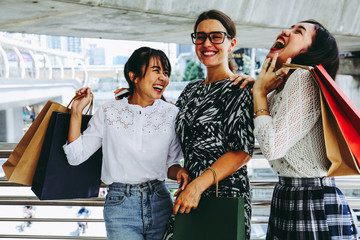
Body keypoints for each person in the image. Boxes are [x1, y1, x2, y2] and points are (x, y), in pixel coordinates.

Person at [63, 46, 190, 240]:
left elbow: (170, 164)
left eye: (166, 73)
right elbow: (75, 156)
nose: (163, 78)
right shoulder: (109, 112)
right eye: (156, 71)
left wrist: (179, 171)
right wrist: (76, 112)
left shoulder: (171, 113)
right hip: (120, 207)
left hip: (160, 201)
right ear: (134, 76)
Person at [251, 19, 358, 239]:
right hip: (291, 194)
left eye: (298, 32)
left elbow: (272, 147)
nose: (285, 31)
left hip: (311, 198)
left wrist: (259, 94)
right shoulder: (285, 87)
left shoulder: (304, 77)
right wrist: (258, 90)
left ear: (310, 52)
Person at [163, 9, 254, 240]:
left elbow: (241, 152)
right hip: (188, 196)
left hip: (224, 196)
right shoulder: (190, 90)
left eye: (216, 36)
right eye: (200, 37)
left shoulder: (238, 88)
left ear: (231, 43)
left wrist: (197, 186)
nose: (207, 43)